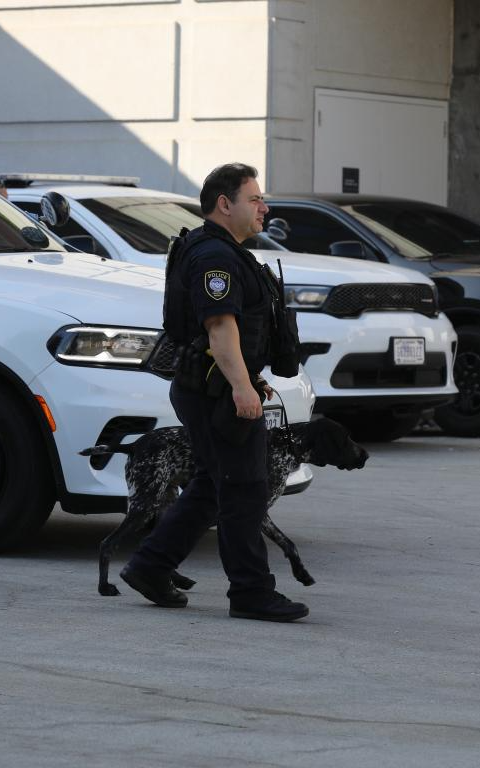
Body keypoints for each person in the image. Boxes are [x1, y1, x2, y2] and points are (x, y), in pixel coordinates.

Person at [119, 162, 309, 622]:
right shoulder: (215, 257)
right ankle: (250, 592)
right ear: (225, 205)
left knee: (211, 483)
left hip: (212, 385)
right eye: (255, 199)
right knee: (245, 487)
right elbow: (220, 328)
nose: (264, 207)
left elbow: (234, 335)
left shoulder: (227, 251)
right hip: (213, 392)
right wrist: (242, 387)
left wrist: (250, 377)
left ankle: (150, 566)